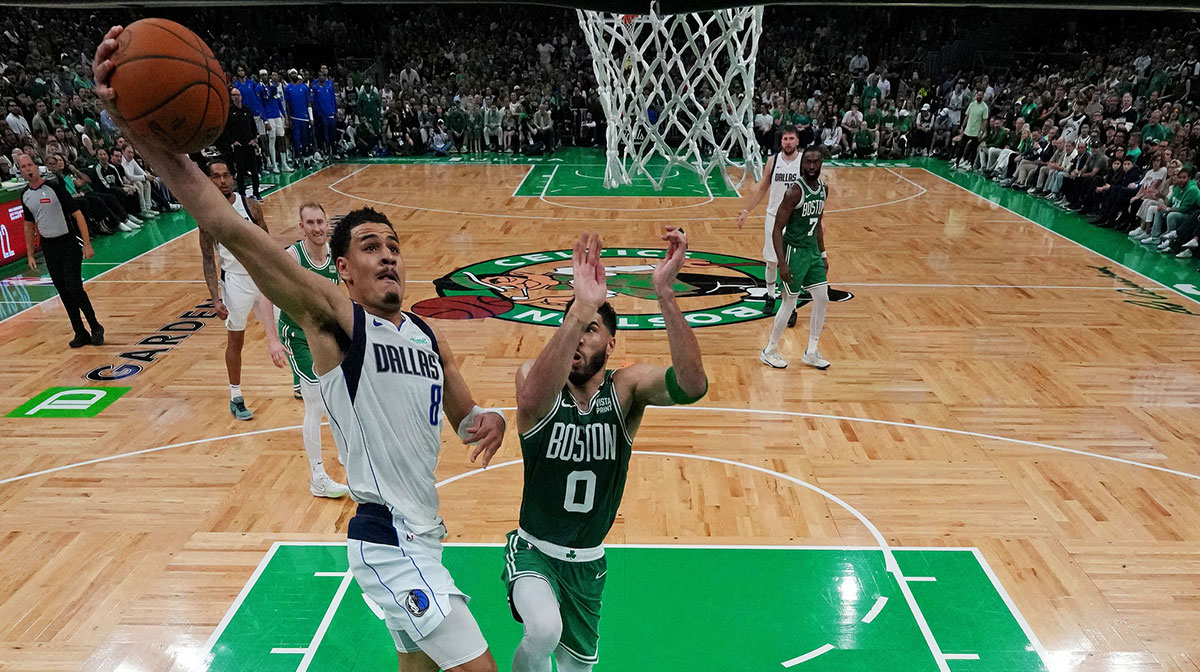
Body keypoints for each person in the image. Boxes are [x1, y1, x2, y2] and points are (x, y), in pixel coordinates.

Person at [95, 27, 507, 672]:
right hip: (387, 540)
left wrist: (487, 419)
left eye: (393, 246)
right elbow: (224, 221)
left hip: (426, 533)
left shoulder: (428, 336)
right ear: (342, 269)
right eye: (370, 247)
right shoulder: (335, 319)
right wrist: (132, 125)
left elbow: (466, 417)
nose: (388, 255)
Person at [505, 229, 707, 672]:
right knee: (543, 629)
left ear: (611, 344)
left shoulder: (626, 390)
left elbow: (692, 386)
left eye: (591, 330)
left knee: (577, 667)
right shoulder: (535, 377)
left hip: (587, 562)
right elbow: (530, 399)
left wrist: (665, 294)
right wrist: (580, 310)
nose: (579, 337)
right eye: (573, 327)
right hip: (534, 549)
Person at [257, 202, 349, 499]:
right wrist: (272, 339)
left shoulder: (335, 255)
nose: (317, 228)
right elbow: (265, 293)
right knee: (316, 402)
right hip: (297, 335)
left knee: (338, 395)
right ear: (302, 227)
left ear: (327, 223)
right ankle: (317, 477)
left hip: (324, 333)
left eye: (321, 222)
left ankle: (347, 455)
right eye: (310, 223)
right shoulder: (293, 257)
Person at [197, 157, 281, 421]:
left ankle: (301, 382)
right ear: (209, 180)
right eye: (216, 176)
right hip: (234, 282)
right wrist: (215, 298)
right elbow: (208, 259)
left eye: (226, 175)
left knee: (287, 329)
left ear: (232, 178)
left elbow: (268, 243)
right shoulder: (207, 216)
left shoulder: (250, 206)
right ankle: (236, 397)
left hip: (261, 278)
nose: (222, 181)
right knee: (236, 340)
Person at [18, 152, 104, 348]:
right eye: (23, 167)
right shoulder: (25, 195)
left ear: (36, 166)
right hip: (49, 247)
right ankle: (80, 332)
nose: (28, 169)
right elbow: (28, 224)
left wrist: (87, 243)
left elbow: (77, 214)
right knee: (63, 290)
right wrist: (30, 253)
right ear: (20, 171)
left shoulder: (54, 188)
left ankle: (95, 326)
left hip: (68, 243)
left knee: (74, 286)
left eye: (30, 165)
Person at [760, 145, 830, 370]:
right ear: (802, 164)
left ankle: (812, 351)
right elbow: (776, 229)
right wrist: (782, 263)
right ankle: (770, 350)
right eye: (808, 162)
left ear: (821, 164)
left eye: (816, 162)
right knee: (789, 303)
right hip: (794, 252)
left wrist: (823, 254)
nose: (812, 166)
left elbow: (818, 225)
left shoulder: (823, 189)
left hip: (812, 252)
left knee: (822, 298)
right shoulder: (794, 192)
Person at [737, 125, 802, 319]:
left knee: (792, 265)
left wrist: (819, 219)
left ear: (797, 141)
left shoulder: (803, 161)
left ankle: (791, 307)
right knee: (772, 261)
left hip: (795, 220)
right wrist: (746, 210)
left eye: (791, 138)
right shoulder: (773, 161)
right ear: (781, 141)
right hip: (774, 218)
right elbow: (763, 188)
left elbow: (812, 190)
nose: (788, 142)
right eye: (785, 139)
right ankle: (771, 296)